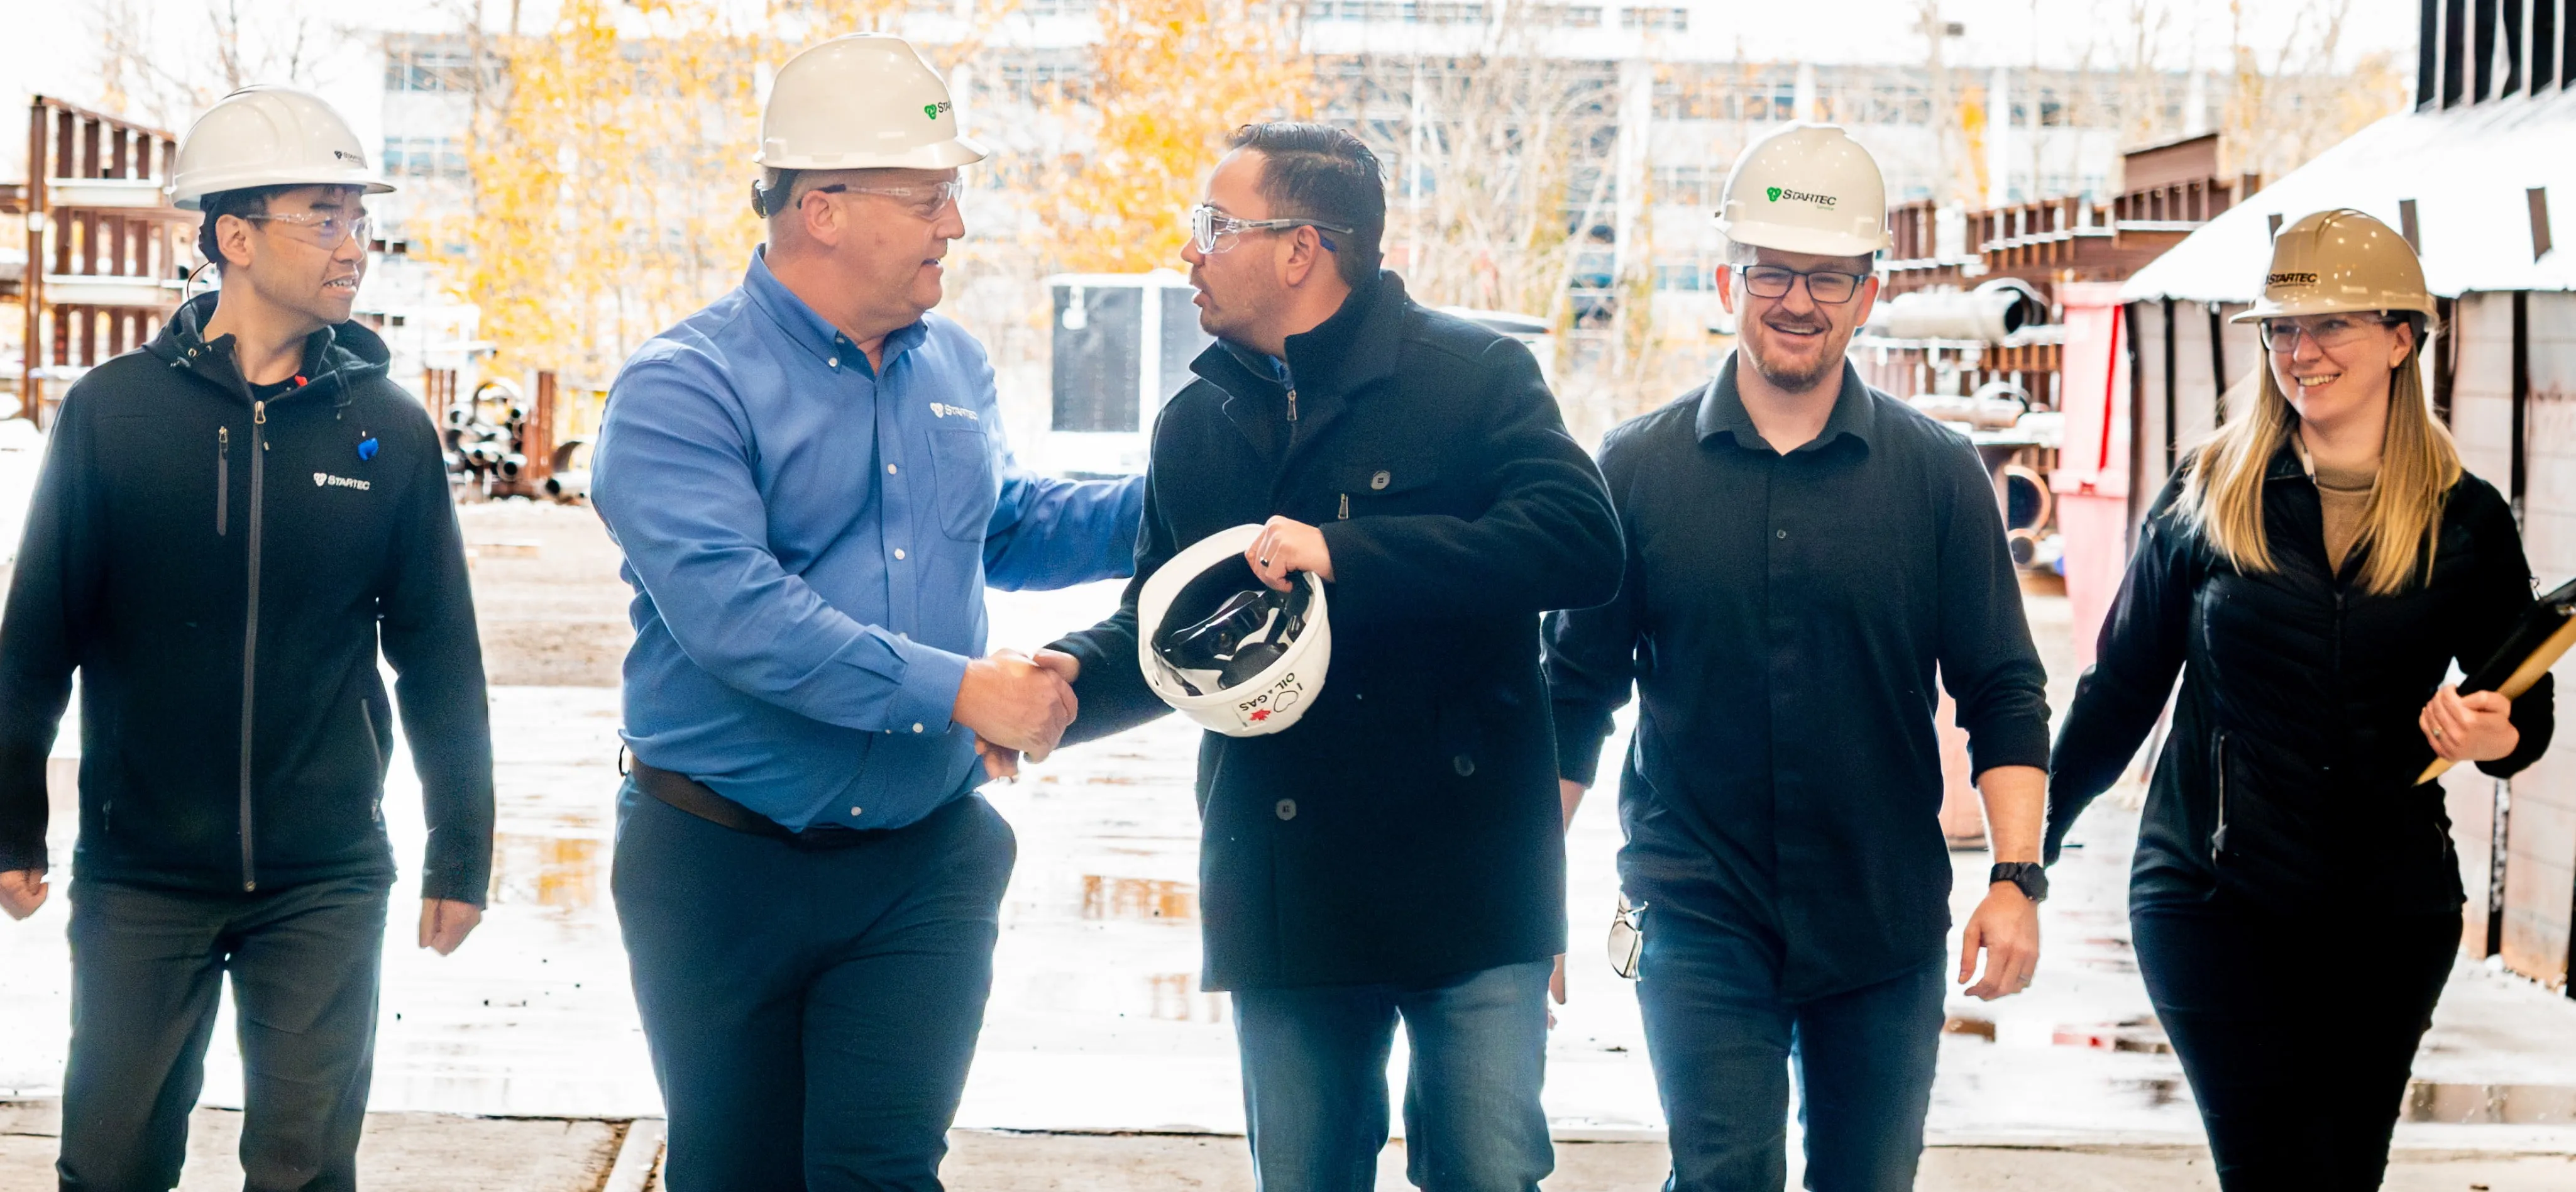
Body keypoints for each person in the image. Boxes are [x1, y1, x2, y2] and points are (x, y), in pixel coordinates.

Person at [589, 35, 1143, 1189]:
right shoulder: (682, 388)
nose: (954, 224)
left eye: (954, 195)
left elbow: (1002, 524)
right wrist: (961, 689)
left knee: (881, 1171)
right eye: (930, 195)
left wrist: (1191, 505)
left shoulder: (956, 368)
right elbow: (736, 613)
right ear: (823, 207)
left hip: (921, 861)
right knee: (735, 1171)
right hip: (719, 860)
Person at [1044, 122, 1621, 1191]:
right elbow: (1159, 630)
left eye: (1213, 226)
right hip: (1285, 880)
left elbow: (1582, 545)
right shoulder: (1195, 423)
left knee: (1488, 1173)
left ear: (1300, 247)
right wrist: (1063, 686)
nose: (1190, 252)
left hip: (1473, 873)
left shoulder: (1476, 375)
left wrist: (1347, 553)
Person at [1542, 123, 2052, 1192]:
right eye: (1773, 271)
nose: (1797, 302)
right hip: (1694, 909)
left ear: (1867, 295)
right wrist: (1524, 887)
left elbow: (2002, 690)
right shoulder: (1635, 468)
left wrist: (2014, 879)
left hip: (1881, 917)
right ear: (1729, 279)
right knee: (1723, 1172)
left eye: (1827, 278)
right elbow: (1574, 693)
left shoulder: (1938, 476)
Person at [0, 86, 493, 1190]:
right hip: (142, 875)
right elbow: (36, 643)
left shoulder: (390, 431)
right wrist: (12, 823)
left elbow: (441, 661)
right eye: (323, 214)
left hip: (326, 875)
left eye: (357, 218)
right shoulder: (112, 415)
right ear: (233, 235)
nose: (353, 244)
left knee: (305, 1171)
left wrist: (461, 852)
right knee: (110, 1163)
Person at [2046, 207, 2553, 1189]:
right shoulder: (2207, 492)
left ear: (2402, 337)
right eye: (2281, 328)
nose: (2299, 351)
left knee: (2341, 1170)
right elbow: (2118, 695)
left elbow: (2524, 718)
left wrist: (2489, 729)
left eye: (2331, 325)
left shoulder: (2463, 518)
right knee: (2267, 1167)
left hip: (2386, 908)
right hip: (2208, 894)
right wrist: (2025, 856)